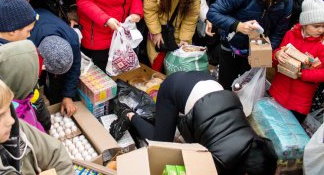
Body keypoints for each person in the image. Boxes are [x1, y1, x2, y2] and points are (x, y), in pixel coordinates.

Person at [110, 71, 278, 175]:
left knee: (180, 130)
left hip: (205, 81)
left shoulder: (253, 139)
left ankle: (169, 119)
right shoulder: (222, 158)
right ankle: (128, 114)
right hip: (173, 87)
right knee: (161, 144)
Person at [207, 0, 303, 90]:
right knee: (226, 88)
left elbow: (278, 33)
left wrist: (266, 53)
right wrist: (237, 26)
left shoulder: (287, 0)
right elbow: (213, 12)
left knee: (246, 89)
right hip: (231, 47)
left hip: (257, 51)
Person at [269, 0, 324, 123]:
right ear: (305, 23)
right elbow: (277, 56)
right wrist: (277, 55)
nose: (321, 30)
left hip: (300, 103)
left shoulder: (322, 45)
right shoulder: (290, 34)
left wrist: (303, 74)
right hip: (278, 92)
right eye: (316, 26)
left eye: (323, 26)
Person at [0, 40, 51, 132]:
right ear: (21, 80)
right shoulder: (10, 120)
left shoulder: (22, 97)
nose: (36, 80)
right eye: (34, 76)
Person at [144, 0, 200, 69]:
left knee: (179, 66)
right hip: (159, 29)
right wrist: (156, 32)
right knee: (157, 63)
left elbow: (191, 18)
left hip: (180, 31)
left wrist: (185, 38)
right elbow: (149, 10)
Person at [29, 8, 81, 116]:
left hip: (49, 22)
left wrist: (68, 95)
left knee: (58, 83)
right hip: (37, 15)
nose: (56, 75)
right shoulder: (28, 41)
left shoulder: (72, 39)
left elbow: (75, 67)